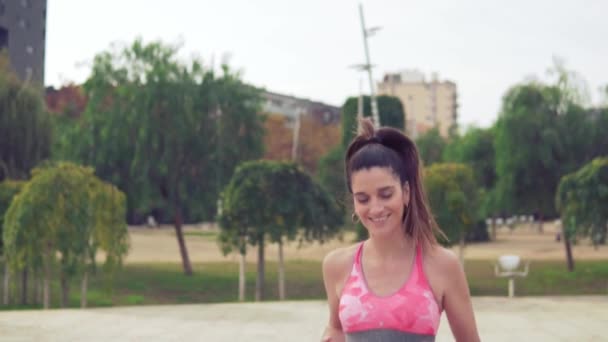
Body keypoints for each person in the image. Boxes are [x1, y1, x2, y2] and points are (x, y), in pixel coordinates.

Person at [321, 118, 480, 342]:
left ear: (405, 192)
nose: (375, 208)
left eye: (386, 194)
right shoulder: (336, 266)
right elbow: (335, 329)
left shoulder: (442, 265)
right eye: (363, 198)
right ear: (354, 203)